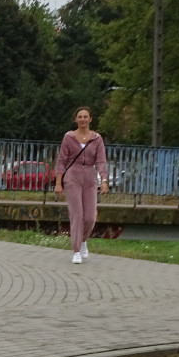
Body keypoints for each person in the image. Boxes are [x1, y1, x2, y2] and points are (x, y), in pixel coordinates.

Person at [53, 107, 108, 264]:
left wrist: (104, 180)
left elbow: (101, 161)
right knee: (77, 214)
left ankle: (83, 241)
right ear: (76, 119)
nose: (83, 119)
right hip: (72, 176)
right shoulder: (69, 137)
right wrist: (58, 183)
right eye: (80, 117)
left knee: (90, 217)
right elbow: (62, 160)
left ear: (90, 119)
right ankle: (76, 250)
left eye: (85, 117)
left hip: (90, 177)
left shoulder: (97, 139)